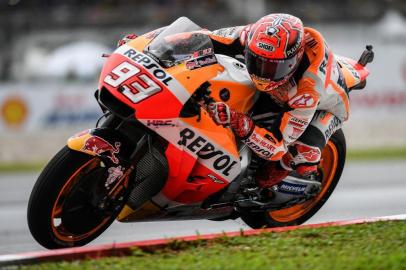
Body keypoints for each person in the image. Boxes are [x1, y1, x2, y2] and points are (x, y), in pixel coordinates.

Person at [118, 13, 350, 190]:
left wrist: (243, 125)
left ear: (292, 61)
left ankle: (287, 178)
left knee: (299, 155)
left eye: (272, 67)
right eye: (256, 60)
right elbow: (203, 38)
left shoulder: (309, 90)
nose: (261, 71)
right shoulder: (249, 35)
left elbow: (277, 146)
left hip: (325, 107)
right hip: (281, 89)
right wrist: (148, 47)